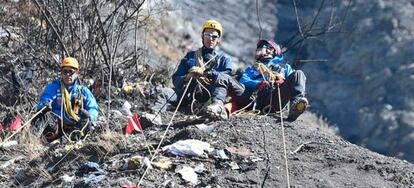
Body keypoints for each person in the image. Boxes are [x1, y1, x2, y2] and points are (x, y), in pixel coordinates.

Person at [171, 19, 243, 119]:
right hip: (188, 95)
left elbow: (226, 78)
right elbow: (176, 78)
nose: (211, 39)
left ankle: (217, 107)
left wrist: (208, 73)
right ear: (202, 36)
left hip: (211, 96)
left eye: (214, 36)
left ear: (218, 40)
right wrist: (187, 77)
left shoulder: (224, 59)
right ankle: (154, 115)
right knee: (164, 93)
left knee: (221, 78)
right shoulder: (190, 57)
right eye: (207, 35)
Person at [239, 39, 308, 121]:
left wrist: (283, 81)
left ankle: (296, 106)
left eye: (261, 47)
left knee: (298, 73)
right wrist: (258, 84)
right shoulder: (253, 69)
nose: (258, 49)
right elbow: (243, 80)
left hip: (277, 99)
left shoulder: (284, 68)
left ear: (271, 50)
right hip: (259, 100)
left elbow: (294, 83)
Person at [34, 57, 99, 142]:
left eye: (71, 72)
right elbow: (43, 101)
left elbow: (93, 108)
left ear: (76, 73)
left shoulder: (83, 91)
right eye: (65, 72)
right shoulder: (52, 88)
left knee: (86, 120)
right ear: (61, 73)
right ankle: (42, 140)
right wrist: (44, 105)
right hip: (57, 126)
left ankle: (68, 140)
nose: (68, 75)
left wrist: (90, 115)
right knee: (43, 115)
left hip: (76, 127)